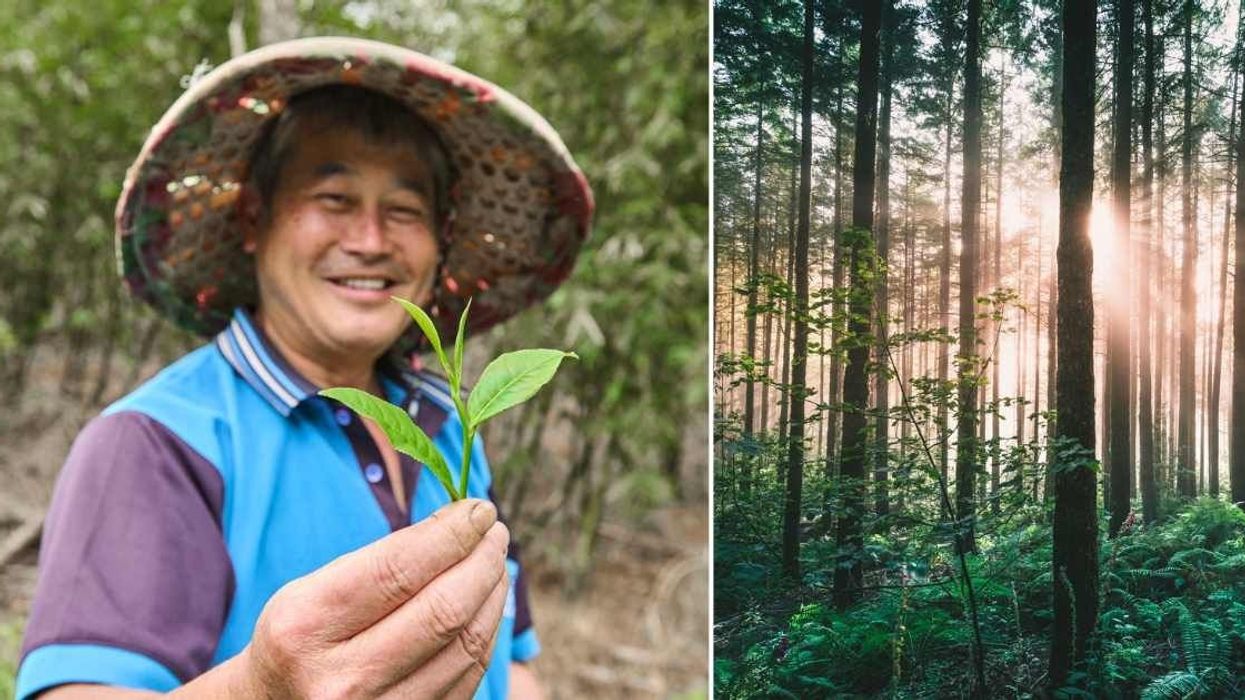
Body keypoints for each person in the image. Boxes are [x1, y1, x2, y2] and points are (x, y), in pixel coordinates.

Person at [14, 37, 593, 700]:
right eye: (333, 199)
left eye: (403, 211)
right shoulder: (157, 442)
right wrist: (260, 689)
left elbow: (512, 665)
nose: (370, 242)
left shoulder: (451, 423)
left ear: (437, 246)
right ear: (255, 222)